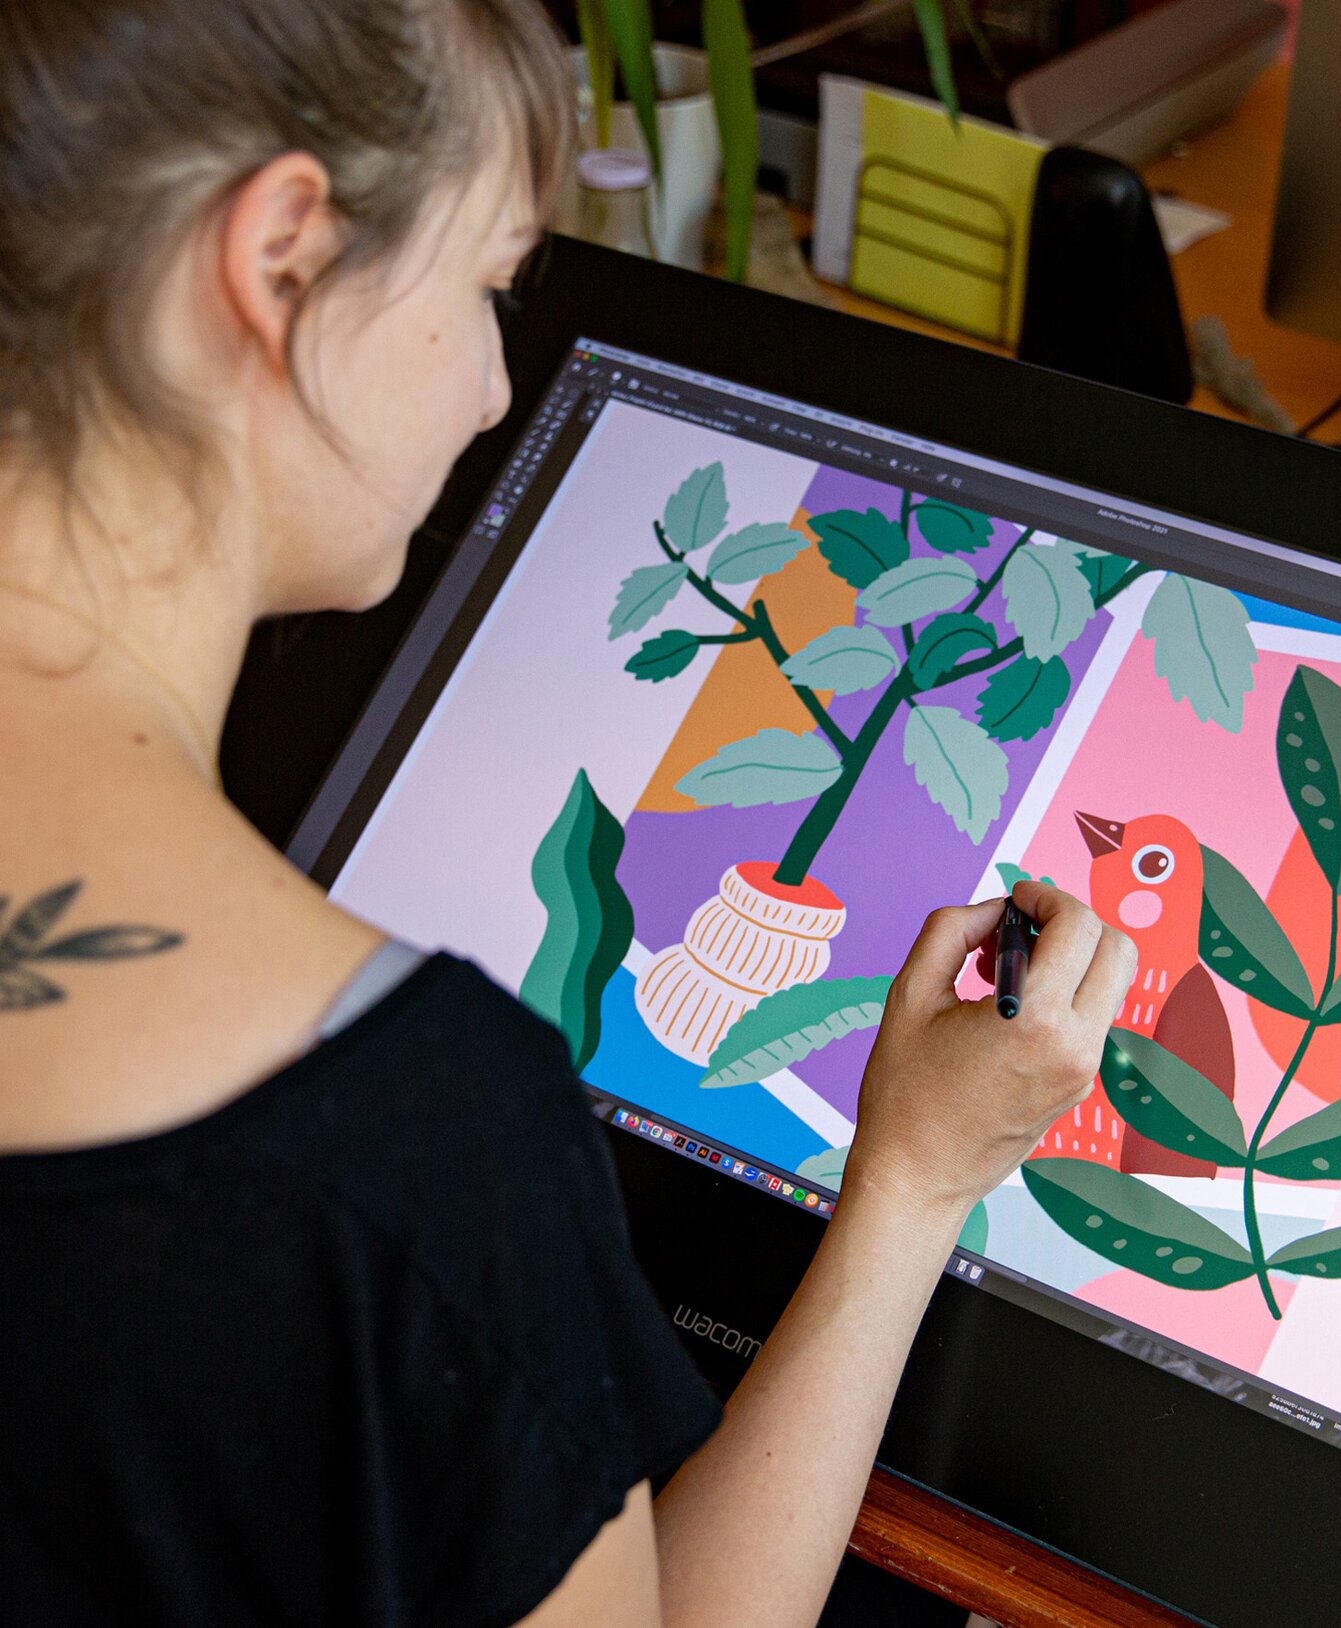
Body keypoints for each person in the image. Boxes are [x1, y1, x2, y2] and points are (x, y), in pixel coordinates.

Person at [0, 2, 1138, 1624]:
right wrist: (914, 1184)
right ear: (281, 259)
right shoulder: (410, 1139)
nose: (491, 391)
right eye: (486, 287)